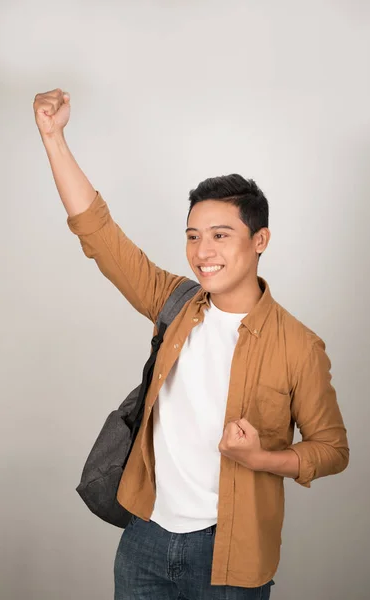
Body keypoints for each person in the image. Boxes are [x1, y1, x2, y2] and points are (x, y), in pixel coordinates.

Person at [33, 88, 349, 600]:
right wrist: (53, 138)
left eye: (221, 235)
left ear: (260, 240)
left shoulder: (299, 346)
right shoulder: (175, 301)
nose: (203, 252)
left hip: (230, 552)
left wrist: (262, 458)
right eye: (193, 235)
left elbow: (332, 449)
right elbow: (99, 234)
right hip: (145, 537)